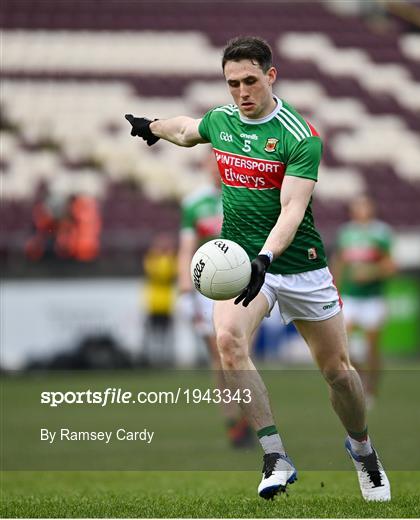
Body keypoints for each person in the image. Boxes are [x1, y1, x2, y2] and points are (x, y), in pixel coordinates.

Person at [125, 36, 390, 502]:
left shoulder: (299, 135)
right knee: (227, 342)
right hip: (241, 264)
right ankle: (274, 456)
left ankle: (363, 451)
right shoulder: (223, 122)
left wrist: (265, 259)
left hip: (299, 266)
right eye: (232, 83)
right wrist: (152, 126)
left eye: (250, 80)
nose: (241, 91)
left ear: (271, 76)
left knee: (339, 374)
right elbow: (188, 130)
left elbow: (292, 209)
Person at [177, 152, 253, 448]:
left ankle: (251, 415)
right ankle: (232, 418)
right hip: (208, 289)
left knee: (243, 354)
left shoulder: (247, 197)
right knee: (220, 358)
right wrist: (185, 285)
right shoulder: (194, 203)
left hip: (244, 285)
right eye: (212, 162)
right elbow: (187, 247)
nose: (217, 167)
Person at [332, 194, 396, 409]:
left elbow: (391, 266)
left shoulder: (381, 233)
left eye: (365, 205)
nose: (361, 210)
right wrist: (335, 290)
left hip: (373, 298)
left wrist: (371, 271)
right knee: (346, 345)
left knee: (372, 348)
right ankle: (358, 385)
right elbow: (339, 264)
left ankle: (371, 390)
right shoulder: (346, 233)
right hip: (351, 297)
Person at [143, 233, 177, 366]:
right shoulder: (153, 259)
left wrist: (166, 255)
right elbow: (154, 270)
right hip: (154, 303)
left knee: (165, 335)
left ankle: (164, 359)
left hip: (166, 303)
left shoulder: (168, 259)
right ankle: (152, 359)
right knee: (153, 334)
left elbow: (168, 271)